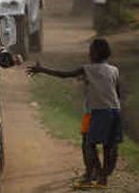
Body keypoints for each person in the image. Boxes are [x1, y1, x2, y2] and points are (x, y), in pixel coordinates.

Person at [27, 38, 122, 189]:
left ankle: (98, 176)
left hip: (99, 112)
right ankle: (102, 177)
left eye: (90, 50)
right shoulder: (114, 70)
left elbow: (64, 74)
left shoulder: (88, 69)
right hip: (115, 111)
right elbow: (117, 93)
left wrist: (42, 69)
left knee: (89, 144)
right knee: (109, 146)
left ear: (94, 53)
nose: (89, 53)